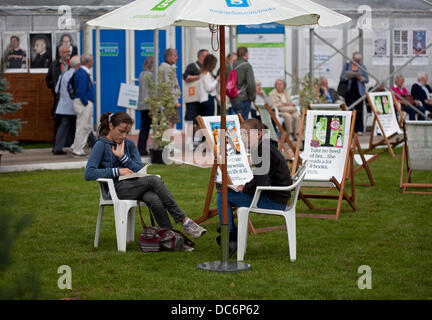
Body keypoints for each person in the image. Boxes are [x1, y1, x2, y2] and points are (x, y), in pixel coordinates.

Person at [84, 111, 207, 239]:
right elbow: (89, 173)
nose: (124, 136)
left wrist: (123, 157)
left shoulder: (129, 145)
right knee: (153, 180)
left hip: (135, 185)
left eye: (127, 133)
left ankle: (170, 237)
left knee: (154, 198)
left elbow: (140, 169)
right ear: (111, 126)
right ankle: (184, 220)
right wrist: (117, 171)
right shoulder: (101, 145)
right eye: (121, 131)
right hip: (115, 189)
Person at [216, 118, 293, 257]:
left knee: (223, 196)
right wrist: (245, 186)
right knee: (227, 192)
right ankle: (229, 231)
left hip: (273, 200)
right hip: (278, 197)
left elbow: (261, 183)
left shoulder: (262, 150)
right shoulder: (266, 147)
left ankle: (230, 237)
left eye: (246, 134)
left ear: (258, 134)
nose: (243, 139)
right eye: (241, 135)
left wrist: (244, 188)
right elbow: (262, 179)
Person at [52, 56, 81, 155]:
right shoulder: (78, 75)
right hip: (75, 106)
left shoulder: (63, 75)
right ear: (78, 65)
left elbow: (56, 90)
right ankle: (96, 146)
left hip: (63, 107)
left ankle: (57, 147)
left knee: (63, 127)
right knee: (85, 126)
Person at [71, 53, 96, 157]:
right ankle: (78, 149)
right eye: (92, 60)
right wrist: (86, 102)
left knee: (86, 126)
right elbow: (81, 91)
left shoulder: (80, 72)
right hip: (83, 103)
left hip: (82, 102)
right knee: (83, 126)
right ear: (89, 62)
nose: (93, 62)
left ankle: (76, 146)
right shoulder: (82, 73)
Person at [46, 45, 71, 144]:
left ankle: (70, 143)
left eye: (69, 51)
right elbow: (48, 80)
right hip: (59, 98)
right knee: (59, 122)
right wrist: (55, 87)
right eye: (66, 52)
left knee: (71, 122)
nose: (68, 53)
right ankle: (58, 144)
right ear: (60, 53)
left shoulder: (73, 64)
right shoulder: (54, 65)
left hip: (72, 98)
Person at [340, 52, 369, 134]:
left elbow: (367, 80)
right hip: (349, 91)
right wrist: (348, 76)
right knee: (349, 109)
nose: (357, 61)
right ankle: (350, 129)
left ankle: (359, 129)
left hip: (359, 91)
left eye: (358, 60)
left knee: (359, 110)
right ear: (353, 58)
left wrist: (360, 78)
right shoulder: (347, 66)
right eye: (356, 60)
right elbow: (342, 77)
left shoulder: (363, 67)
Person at [225, 47, 256, 120]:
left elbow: (226, 82)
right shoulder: (247, 66)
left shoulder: (229, 66)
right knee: (243, 122)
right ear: (246, 54)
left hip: (232, 99)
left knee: (234, 122)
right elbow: (251, 84)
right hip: (244, 98)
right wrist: (252, 97)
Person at [183, 49, 209, 130]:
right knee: (191, 120)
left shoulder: (207, 68)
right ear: (201, 56)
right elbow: (186, 77)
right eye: (207, 57)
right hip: (192, 98)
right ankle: (189, 139)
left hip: (202, 99)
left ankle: (197, 138)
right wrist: (199, 76)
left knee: (201, 119)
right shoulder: (192, 66)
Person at [137, 56, 154, 156]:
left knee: (144, 128)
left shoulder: (141, 74)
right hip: (149, 104)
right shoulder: (151, 75)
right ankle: (147, 148)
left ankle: (141, 148)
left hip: (142, 104)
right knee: (150, 127)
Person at [159, 48, 181, 128]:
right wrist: (174, 102)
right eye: (175, 56)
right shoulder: (167, 68)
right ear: (168, 57)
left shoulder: (164, 66)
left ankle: (167, 139)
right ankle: (168, 140)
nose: (177, 57)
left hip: (167, 100)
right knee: (170, 124)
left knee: (168, 123)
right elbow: (169, 86)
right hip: (170, 101)